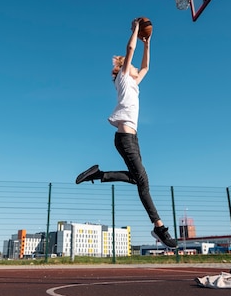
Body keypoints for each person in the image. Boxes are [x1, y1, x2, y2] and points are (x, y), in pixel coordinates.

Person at [75, 17, 177, 249]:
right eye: (129, 66)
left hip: (132, 139)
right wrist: (135, 31)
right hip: (125, 138)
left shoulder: (134, 83)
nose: (133, 68)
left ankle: (98, 174)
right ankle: (159, 227)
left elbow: (146, 67)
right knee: (143, 182)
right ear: (123, 68)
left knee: (137, 179)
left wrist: (148, 42)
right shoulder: (122, 79)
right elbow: (130, 49)